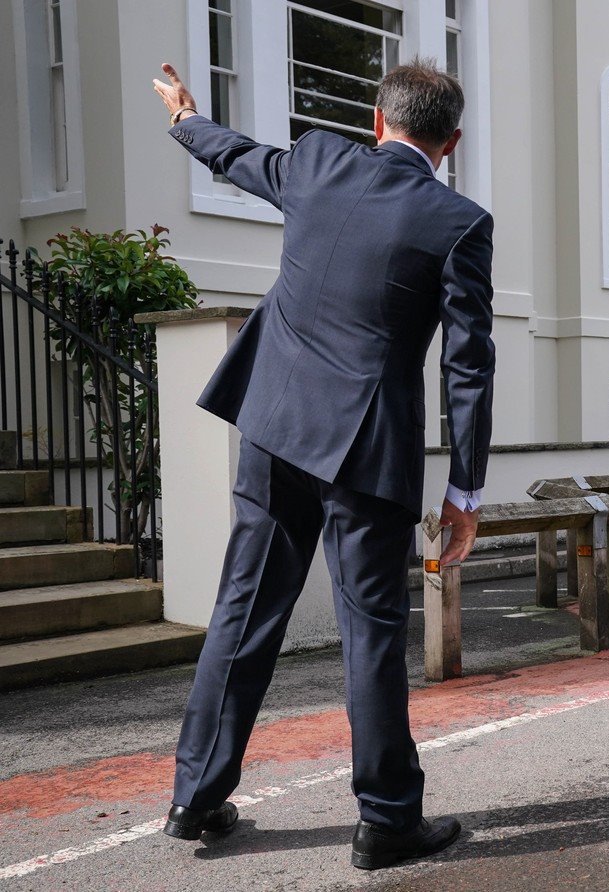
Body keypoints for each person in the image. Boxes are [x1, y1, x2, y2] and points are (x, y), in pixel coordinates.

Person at [151, 59, 494, 869]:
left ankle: (195, 797)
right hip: (368, 453)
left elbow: (238, 157)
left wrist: (185, 120)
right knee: (369, 634)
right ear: (451, 142)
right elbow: (468, 365)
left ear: (377, 121)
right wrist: (465, 490)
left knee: (242, 610)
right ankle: (386, 821)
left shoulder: (316, 161)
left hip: (274, 427)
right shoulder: (459, 221)